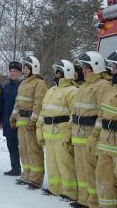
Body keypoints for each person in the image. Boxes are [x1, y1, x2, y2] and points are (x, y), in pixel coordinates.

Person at [63, 51, 112, 208]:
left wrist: (95, 136)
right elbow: (74, 112)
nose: (82, 70)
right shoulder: (84, 86)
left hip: (90, 135)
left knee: (92, 172)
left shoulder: (103, 86)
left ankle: (94, 203)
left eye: (86, 67)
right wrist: (68, 132)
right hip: (78, 134)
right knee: (81, 171)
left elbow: (103, 113)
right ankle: (83, 200)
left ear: (95, 67)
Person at [36, 60, 78, 202]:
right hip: (49, 133)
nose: (56, 75)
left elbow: (74, 115)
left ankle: (70, 191)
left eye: (58, 72)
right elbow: (43, 111)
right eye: (56, 72)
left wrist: (68, 133)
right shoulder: (51, 91)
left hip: (61, 133)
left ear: (67, 73)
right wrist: (39, 128)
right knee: (52, 163)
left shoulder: (72, 91)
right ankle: (55, 188)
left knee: (65, 164)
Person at [96, 49, 117, 208]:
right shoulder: (112, 88)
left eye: (115, 68)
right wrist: (94, 137)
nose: (112, 71)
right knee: (104, 182)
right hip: (106, 142)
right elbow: (102, 114)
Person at [10, 55, 48, 190]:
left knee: (34, 151)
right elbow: (17, 103)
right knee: (24, 150)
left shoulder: (40, 84)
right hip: (21, 122)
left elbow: (39, 104)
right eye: (24, 68)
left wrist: (33, 121)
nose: (25, 70)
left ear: (34, 68)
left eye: (27, 68)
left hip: (31, 123)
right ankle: (26, 176)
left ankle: (36, 180)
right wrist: (13, 117)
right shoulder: (23, 83)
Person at [2, 61, 23, 176]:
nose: (12, 73)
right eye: (11, 71)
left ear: (20, 72)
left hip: (21, 121)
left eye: (15, 71)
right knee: (11, 145)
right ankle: (15, 168)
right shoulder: (6, 85)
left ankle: (28, 171)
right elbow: (3, 103)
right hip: (8, 121)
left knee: (23, 147)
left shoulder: (23, 85)